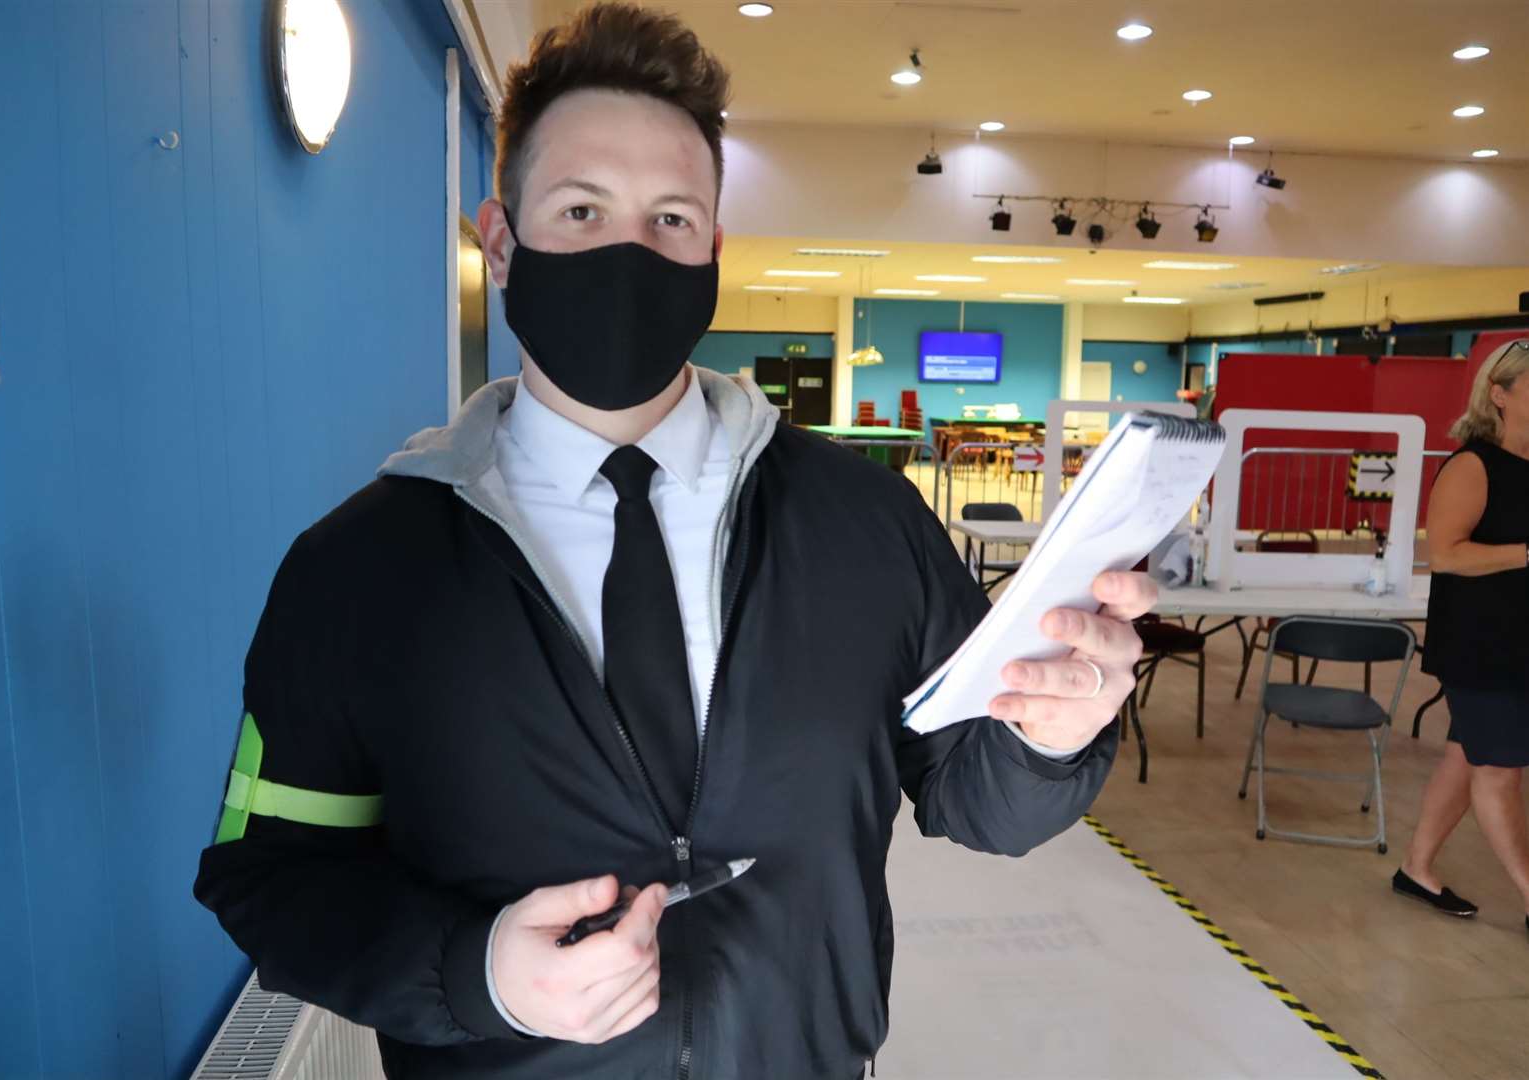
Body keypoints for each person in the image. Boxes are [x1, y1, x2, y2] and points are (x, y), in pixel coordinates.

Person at [193, 5, 1156, 1076]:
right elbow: (272, 876)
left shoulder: (865, 524)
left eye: (670, 220)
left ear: (712, 251)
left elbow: (981, 796)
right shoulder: (362, 571)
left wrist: (1054, 733)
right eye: (581, 209)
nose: (628, 253)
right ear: (501, 242)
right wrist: (479, 977)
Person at [1395, 339, 1529, 938]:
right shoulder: (1474, 465)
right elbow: (1445, 554)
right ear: (1500, 395)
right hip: (1480, 645)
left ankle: (1415, 868)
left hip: (1518, 641)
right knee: (1500, 770)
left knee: (1466, 753)